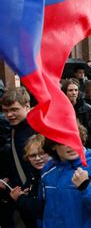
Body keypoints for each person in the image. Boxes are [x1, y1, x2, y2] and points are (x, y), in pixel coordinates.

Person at [41, 135, 91, 227]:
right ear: (53, 145)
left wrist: (86, 187)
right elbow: (45, 210)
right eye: (63, 141)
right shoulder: (47, 170)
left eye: (74, 138)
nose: (71, 145)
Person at [0, 87, 37, 228]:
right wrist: (8, 177)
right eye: (6, 110)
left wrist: (31, 187)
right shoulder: (16, 128)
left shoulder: (34, 129)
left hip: (31, 195)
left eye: (14, 110)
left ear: (27, 106)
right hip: (21, 192)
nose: (9, 114)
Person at [8, 134, 49, 227]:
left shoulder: (53, 176)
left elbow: (44, 209)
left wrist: (21, 198)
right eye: (33, 155)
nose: (38, 158)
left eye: (42, 153)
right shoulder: (34, 175)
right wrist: (26, 194)